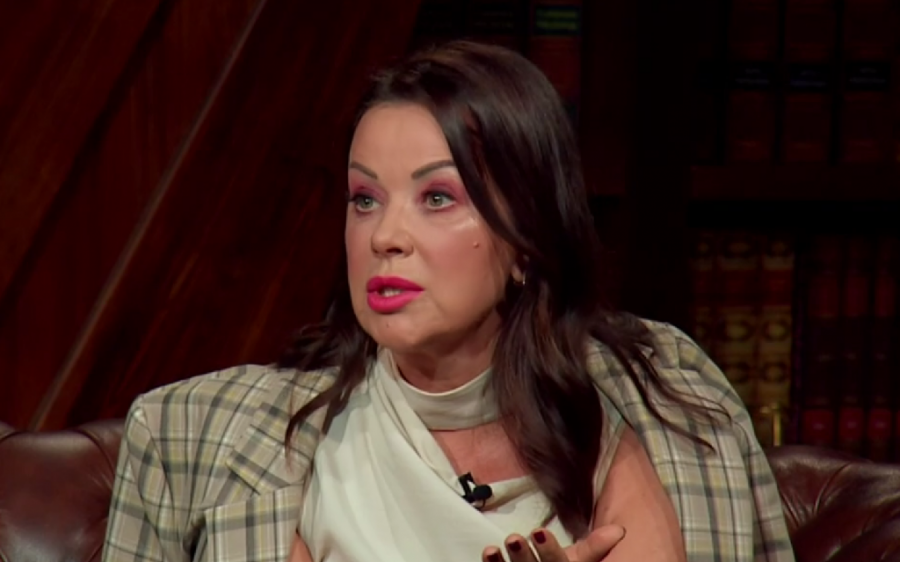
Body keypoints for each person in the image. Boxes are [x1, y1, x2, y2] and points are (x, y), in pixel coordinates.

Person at [101, 40, 795, 562]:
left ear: (526, 240)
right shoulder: (191, 434)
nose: (386, 236)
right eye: (365, 199)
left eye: (437, 197)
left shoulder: (669, 404)